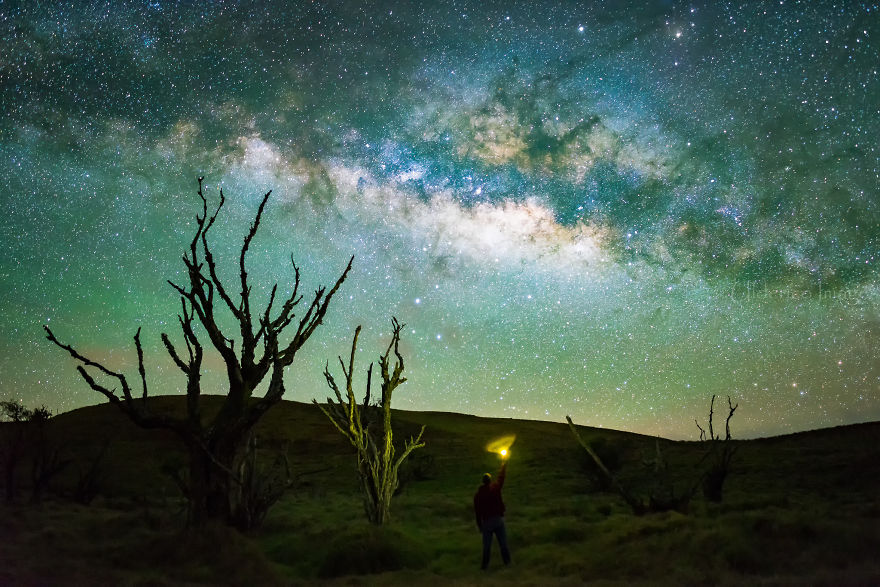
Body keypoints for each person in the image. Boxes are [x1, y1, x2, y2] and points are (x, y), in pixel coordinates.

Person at [473, 455, 511, 569]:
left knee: (487, 546)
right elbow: (501, 478)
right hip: (498, 520)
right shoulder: (495, 488)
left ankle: (484, 567)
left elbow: (477, 512)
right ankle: (508, 564)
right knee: (503, 544)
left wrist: (480, 526)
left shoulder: (478, 495)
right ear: (490, 480)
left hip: (487, 523)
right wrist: (504, 463)